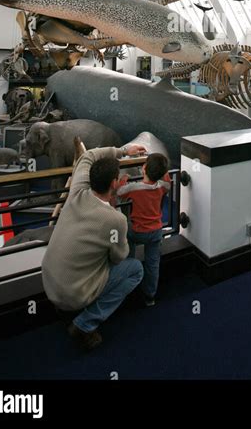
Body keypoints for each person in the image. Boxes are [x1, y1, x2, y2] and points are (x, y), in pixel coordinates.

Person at [41, 143, 146, 351]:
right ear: (115, 183)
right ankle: (84, 324)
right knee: (135, 270)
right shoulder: (115, 220)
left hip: (49, 283)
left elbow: (88, 154)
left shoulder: (77, 189)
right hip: (72, 295)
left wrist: (123, 151)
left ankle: (68, 309)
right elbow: (119, 258)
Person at [117, 153, 171, 307]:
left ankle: (127, 286)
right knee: (153, 264)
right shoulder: (162, 186)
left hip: (136, 232)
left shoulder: (134, 188)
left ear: (144, 167)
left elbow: (119, 193)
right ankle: (150, 296)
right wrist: (162, 170)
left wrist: (123, 180)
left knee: (128, 250)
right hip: (155, 232)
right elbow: (167, 181)